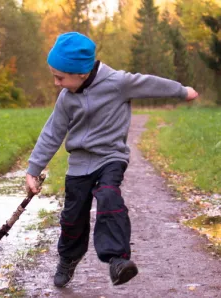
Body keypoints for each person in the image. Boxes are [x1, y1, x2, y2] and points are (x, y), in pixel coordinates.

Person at [25, 31, 199, 288]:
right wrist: (33, 169)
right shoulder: (66, 98)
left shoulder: (117, 82)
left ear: (81, 73)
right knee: (73, 218)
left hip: (110, 158)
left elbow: (150, 83)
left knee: (109, 196)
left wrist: (181, 91)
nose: (56, 83)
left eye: (60, 77)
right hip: (79, 166)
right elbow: (53, 132)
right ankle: (68, 258)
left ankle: (117, 259)